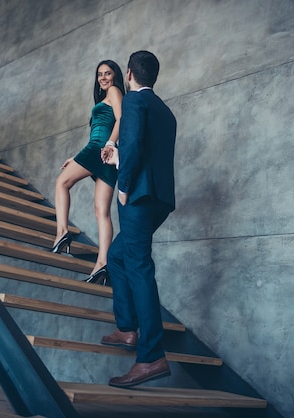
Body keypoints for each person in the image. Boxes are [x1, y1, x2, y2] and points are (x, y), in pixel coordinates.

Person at [99, 50, 177, 388]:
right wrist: (120, 157)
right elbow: (142, 149)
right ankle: (127, 328)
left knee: (139, 266)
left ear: (129, 74)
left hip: (138, 197)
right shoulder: (165, 110)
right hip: (159, 199)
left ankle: (151, 357)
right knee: (117, 257)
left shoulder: (132, 102)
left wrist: (124, 187)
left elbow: (131, 144)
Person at [51, 60, 125, 285]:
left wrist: (110, 143)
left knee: (62, 183)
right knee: (101, 211)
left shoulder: (114, 91)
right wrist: (77, 157)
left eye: (108, 73)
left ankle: (62, 232)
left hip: (101, 150)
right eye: (100, 74)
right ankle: (102, 263)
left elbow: (122, 118)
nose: (103, 78)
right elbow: (97, 131)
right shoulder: (104, 97)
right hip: (100, 152)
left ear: (115, 76)